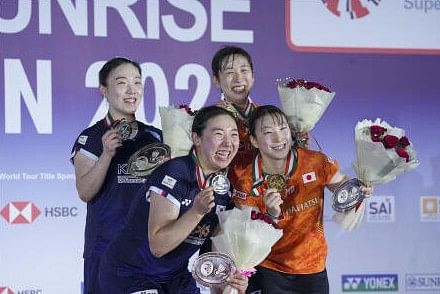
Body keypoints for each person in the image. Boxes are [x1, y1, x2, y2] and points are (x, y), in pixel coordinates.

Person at [97, 106, 248, 293]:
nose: (228, 143)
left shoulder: (224, 189)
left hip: (175, 277)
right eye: (218, 134)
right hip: (130, 273)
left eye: (234, 135)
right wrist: (196, 211)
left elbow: (212, 256)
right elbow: (158, 246)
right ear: (196, 139)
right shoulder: (175, 172)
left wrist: (230, 284)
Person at [230, 105, 372, 294]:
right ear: (254, 141)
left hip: (313, 266)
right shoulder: (245, 177)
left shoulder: (315, 161)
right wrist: (270, 215)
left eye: (283, 129)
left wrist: (360, 187)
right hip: (268, 268)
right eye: (268, 132)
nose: (279, 138)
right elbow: (245, 233)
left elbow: (341, 184)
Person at [70, 57, 163, 294]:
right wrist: (107, 154)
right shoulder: (91, 137)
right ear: (103, 89)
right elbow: (85, 191)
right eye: (122, 82)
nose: (132, 90)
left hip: (148, 250)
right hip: (105, 248)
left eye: (138, 82)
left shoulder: (156, 137)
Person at [212, 46, 257, 167]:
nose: (238, 79)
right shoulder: (208, 119)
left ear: (253, 76)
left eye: (244, 70)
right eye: (230, 72)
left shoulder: (267, 116)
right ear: (216, 80)